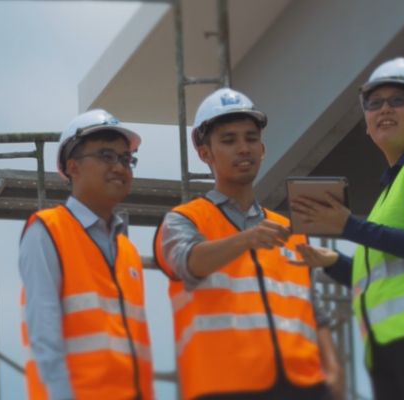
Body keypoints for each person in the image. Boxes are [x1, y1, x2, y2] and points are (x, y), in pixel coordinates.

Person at [153, 88, 343, 400]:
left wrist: (334, 370)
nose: (243, 148)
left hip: (305, 386)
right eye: (229, 140)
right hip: (225, 387)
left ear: (262, 149)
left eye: (251, 139)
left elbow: (312, 307)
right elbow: (188, 262)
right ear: (205, 154)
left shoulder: (290, 230)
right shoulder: (184, 221)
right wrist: (247, 239)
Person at [292, 58, 404, 400]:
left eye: (398, 100)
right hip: (388, 349)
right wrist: (333, 262)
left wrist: (348, 226)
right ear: (367, 125)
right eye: (374, 103)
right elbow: (386, 276)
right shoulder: (390, 191)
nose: (384, 108)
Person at [19, 109, 154, 400]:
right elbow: (44, 336)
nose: (120, 167)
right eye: (107, 156)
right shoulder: (48, 231)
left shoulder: (127, 251)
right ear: (74, 168)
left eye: (126, 159)